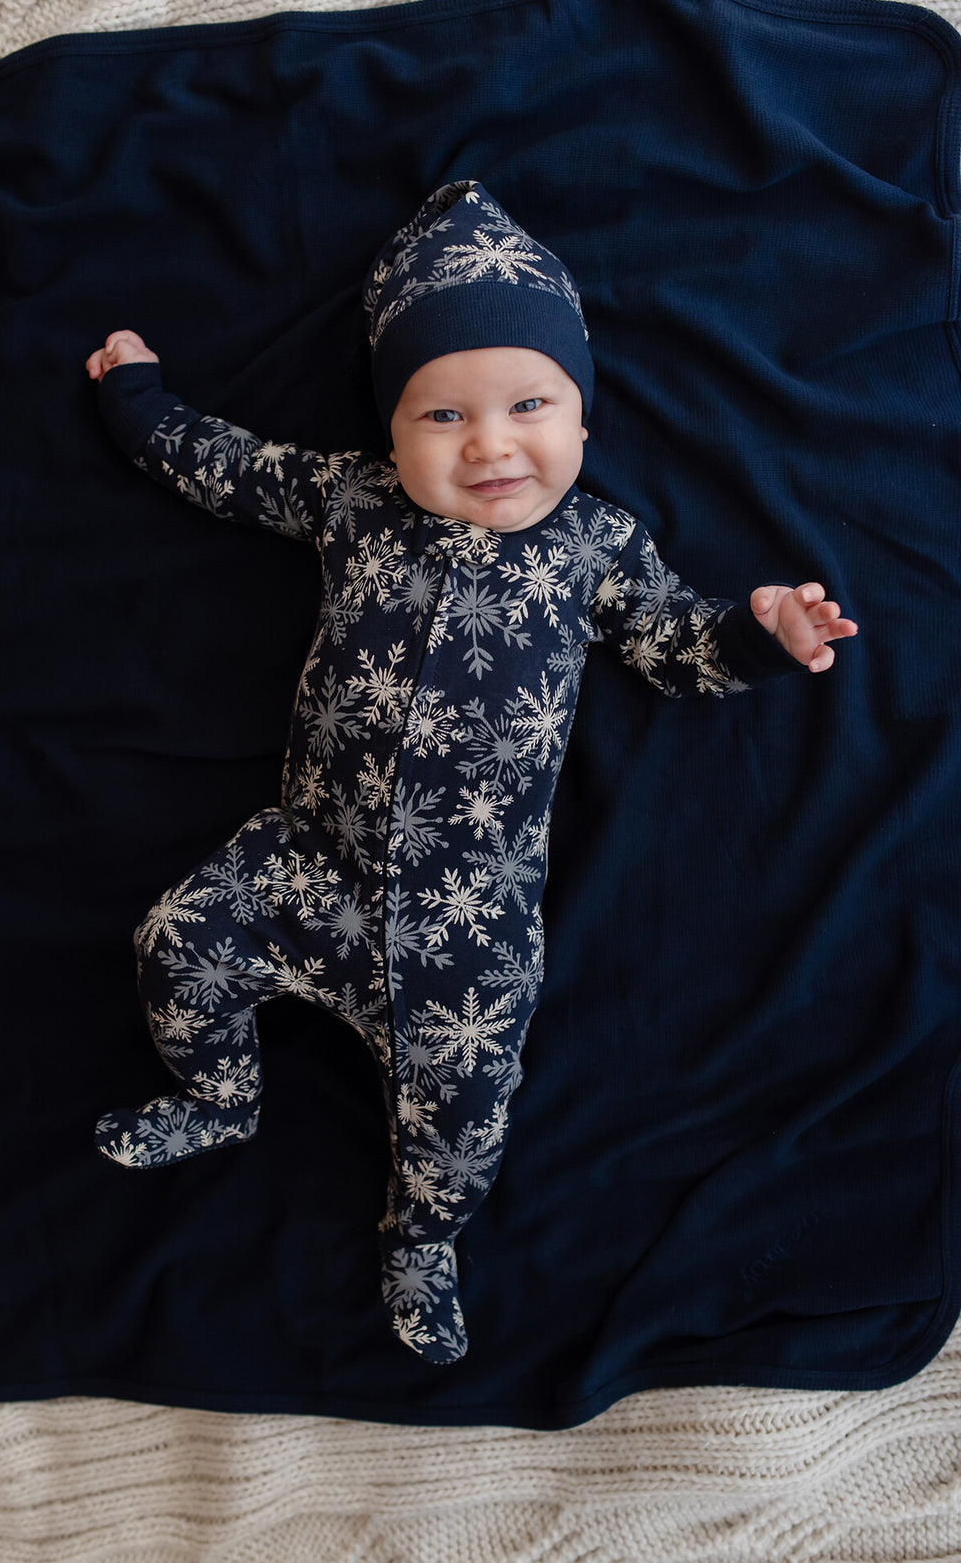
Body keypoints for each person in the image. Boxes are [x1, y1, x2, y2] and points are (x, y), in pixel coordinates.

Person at [85, 180, 857, 1365]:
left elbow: (676, 647)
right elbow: (224, 466)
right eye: (441, 417)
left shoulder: (594, 543)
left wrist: (763, 631)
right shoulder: (351, 499)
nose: (492, 444)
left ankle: (423, 1235)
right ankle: (220, 1097)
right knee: (173, 942)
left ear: (583, 424)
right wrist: (138, 395)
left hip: (470, 919)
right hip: (311, 859)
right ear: (391, 431)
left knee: (465, 1120)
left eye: (529, 405)